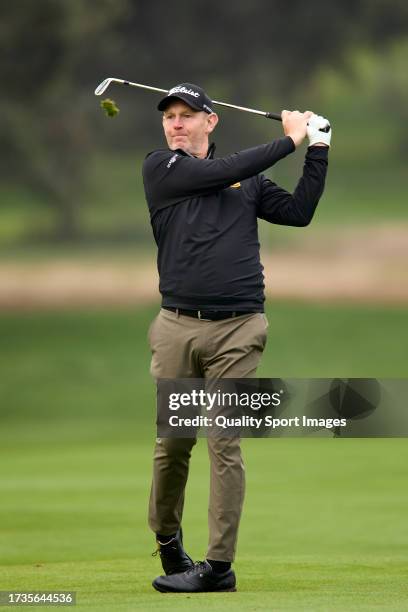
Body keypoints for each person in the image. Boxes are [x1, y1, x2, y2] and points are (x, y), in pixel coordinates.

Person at [142, 82, 330, 593]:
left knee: (225, 443)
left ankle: (218, 567)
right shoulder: (162, 168)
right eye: (170, 116)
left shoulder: (246, 183)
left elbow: (298, 212)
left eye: (187, 115)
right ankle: (167, 540)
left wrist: (317, 149)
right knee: (173, 444)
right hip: (177, 327)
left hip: (239, 330)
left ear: (211, 121)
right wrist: (289, 140)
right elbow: (222, 170)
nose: (175, 124)